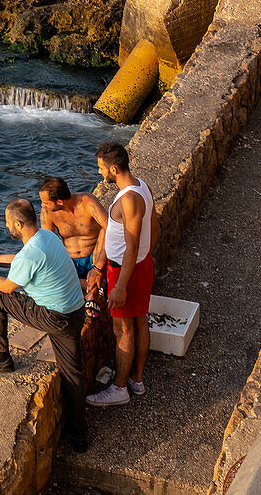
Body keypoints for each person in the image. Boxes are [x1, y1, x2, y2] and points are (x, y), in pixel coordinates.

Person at [0, 198, 88, 451]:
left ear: (19, 224)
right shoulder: (47, 236)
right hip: (75, 311)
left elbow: (8, 287)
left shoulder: (31, 254)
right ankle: (79, 437)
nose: (7, 225)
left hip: (54, 317)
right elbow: (20, 259)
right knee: (72, 373)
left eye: (9, 222)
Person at [86, 143, 157, 407]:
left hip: (125, 271)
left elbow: (131, 245)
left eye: (101, 168)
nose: (99, 172)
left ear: (113, 169)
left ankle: (119, 389)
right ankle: (135, 380)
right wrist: (146, 258)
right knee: (140, 321)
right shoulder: (143, 186)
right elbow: (154, 227)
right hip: (141, 265)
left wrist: (120, 286)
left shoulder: (128, 199)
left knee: (123, 329)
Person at [39, 177, 108, 314]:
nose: (42, 206)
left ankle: (91, 292)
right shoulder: (48, 213)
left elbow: (111, 228)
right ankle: (91, 288)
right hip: (70, 261)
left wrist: (98, 267)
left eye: (45, 202)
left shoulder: (87, 202)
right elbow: (48, 243)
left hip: (94, 256)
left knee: (105, 232)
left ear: (59, 201)